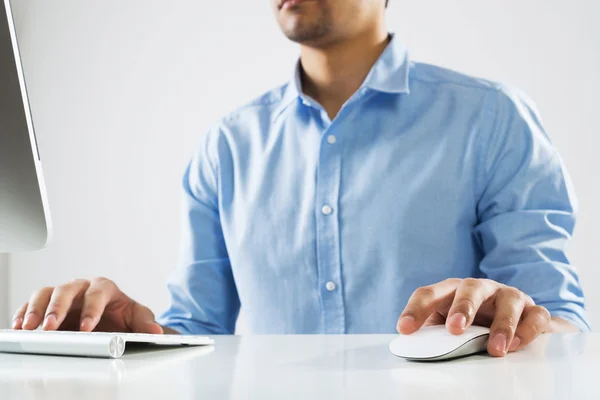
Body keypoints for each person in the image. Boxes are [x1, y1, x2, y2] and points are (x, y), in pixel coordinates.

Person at [12, 0, 589, 357]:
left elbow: (562, 328)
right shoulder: (227, 146)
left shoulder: (491, 119)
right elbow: (196, 335)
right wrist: (122, 336)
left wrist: (525, 320)